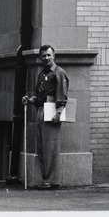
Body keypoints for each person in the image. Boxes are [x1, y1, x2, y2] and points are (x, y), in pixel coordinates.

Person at [21, 44, 69, 189]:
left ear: (54, 56)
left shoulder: (59, 73)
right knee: (41, 147)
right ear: (40, 58)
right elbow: (38, 95)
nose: (46, 58)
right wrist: (29, 100)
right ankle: (45, 179)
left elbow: (62, 95)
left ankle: (52, 180)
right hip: (41, 110)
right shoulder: (42, 74)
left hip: (52, 111)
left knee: (51, 147)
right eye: (43, 56)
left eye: (49, 55)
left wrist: (59, 113)